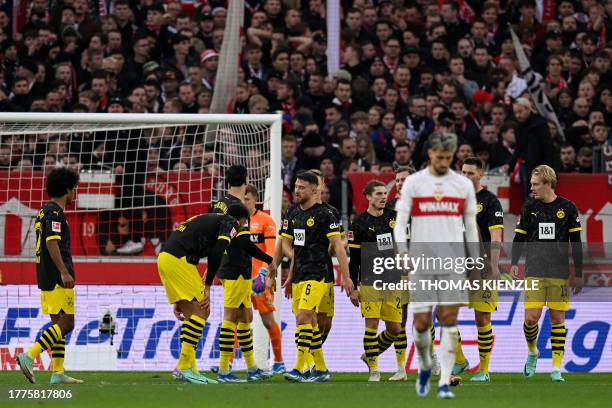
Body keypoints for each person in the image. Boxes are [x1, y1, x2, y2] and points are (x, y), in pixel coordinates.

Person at [394, 132, 479, 399]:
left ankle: (444, 379)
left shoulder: (462, 186)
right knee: (420, 324)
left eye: (447, 157)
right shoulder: (414, 183)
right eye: (438, 156)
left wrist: (475, 261)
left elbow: (471, 227)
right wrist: (403, 252)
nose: (443, 161)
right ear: (430, 153)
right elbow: (400, 224)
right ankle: (425, 364)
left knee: (449, 320)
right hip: (421, 261)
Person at [158, 204, 249, 384]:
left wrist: (180, 299)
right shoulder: (230, 223)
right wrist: (207, 286)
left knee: (196, 313)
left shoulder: (209, 221)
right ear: (242, 221)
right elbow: (217, 252)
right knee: (201, 311)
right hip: (178, 260)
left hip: (166, 258)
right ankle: (183, 367)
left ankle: (190, 368)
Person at [510, 165, 583, 383]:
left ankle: (556, 368)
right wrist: (514, 263)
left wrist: (578, 273)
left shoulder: (568, 208)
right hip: (534, 271)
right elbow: (519, 238)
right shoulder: (529, 207)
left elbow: (576, 243)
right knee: (531, 318)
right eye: (531, 184)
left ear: (548, 184)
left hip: (559, 273)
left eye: (535, 184)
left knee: (557, 318)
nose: (531, 188)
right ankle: (533, 351)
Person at [281, 171, 353, 383]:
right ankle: (320, 368)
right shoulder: (294, 213)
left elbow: (339, 246)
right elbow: (294, 247)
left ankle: (298, 368)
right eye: (295, 186)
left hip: (319, 273)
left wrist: (347, 277)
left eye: (301, 187)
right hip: (300, 273)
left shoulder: (326, 214)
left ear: (315, 190)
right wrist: (289, 276)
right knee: (307, 321)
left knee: (308, 318)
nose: (296, 190)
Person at [209, 165, 276, 382]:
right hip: (236, 268)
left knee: (245, 316)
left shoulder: (219, 203)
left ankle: (252, 368)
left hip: (226, 265)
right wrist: (268, 261)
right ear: (246, 180)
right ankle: (224, 369)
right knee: (231, 317)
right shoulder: (239, 208)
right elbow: (245, 243)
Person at [17, 168, 82, 385]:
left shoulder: (44, 211)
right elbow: (51, 242)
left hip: (44, 273)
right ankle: (30, 355)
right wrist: (64, 271)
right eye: (75, 189)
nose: (76, 193)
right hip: (56, 275)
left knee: (57, 323)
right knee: (68, 323)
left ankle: (58, 372)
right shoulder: (55, 213)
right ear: (67, 190)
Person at [349, 180, 402, 382]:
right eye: (378, 194)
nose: (383, 197)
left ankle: (369, 355)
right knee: (371, 325)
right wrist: (354, 287)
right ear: (368, 197)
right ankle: (374, 369)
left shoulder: (394, 218)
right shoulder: (359, 222)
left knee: (395, 329)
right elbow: (354, 259)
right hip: (370, 280)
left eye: (384, 193)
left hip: (393, 279)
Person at [457, 157, 505, 382]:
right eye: (463, 172)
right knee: (441, 313)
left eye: (470, 173)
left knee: (482, 318)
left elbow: (496, 236)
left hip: (483, 266)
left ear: (481, 174)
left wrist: (494, 266)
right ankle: (460, 359)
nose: (466, 177)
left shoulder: (490, 201)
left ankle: (484, 370)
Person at [243, 184, 285, 374]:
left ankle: (279, 361)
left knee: (267, 320)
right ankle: (225, 364)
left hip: (259, 280)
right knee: (236, 318)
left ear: (255, 200)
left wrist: (263, 273)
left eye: (247, 199)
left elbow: (270, 250)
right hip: (240, 279)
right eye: (242, 199)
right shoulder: (236, 222)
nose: (244, 202)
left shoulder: (265, 220)